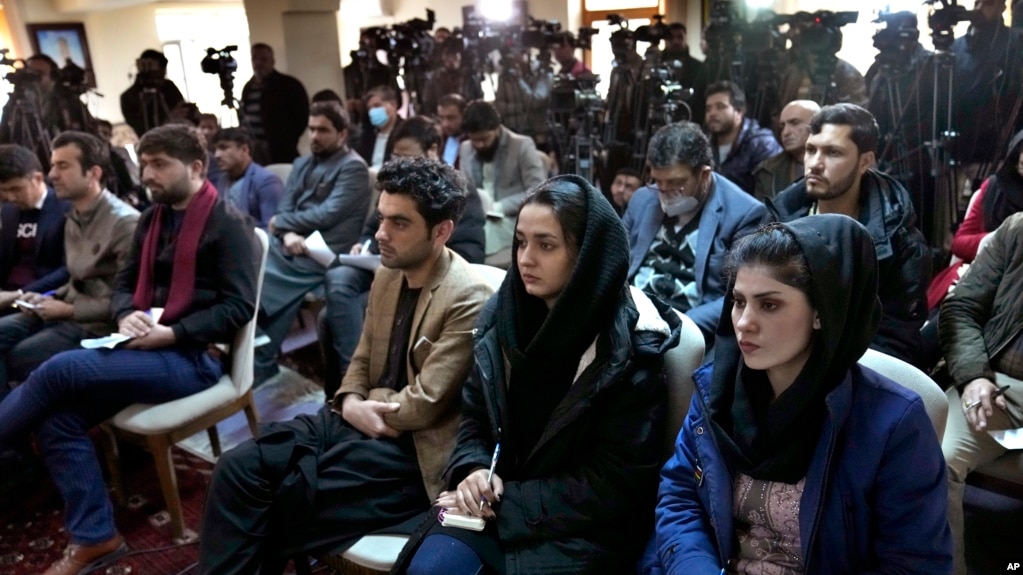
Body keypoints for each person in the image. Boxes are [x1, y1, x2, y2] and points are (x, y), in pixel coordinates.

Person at [197, 157, 494, 574]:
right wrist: (352, 399)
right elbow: (362, 357)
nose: (380, 234)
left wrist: (363, 403)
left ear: (441, 231)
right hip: (357, 419)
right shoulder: (389, 274)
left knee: (281, 495)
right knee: (237, 468)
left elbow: (425, 403)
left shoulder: (470, 296)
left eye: (399, 223)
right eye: (381, 218)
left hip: (410, 449)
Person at [0, 124, 259, 575]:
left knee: (60, 369)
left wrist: (174, 334)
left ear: (196, 167)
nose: (148, 175)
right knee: (57, 419)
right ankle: (97, 539)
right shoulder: (153, 217)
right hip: (143, 342)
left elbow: (238, 308)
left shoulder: (229, 224)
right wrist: (125, 315)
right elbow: (123, 285)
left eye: (160, 165)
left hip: (194, 357)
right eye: (145, 164)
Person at [396, 174, 682, 575]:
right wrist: (474, 470)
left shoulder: (629, 349)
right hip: (496, 506)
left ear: (585, 255)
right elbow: (476, 419)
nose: (525, 259)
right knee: (430, 569)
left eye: (546, 245)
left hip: (580, 531)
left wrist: (507, 501)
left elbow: (614, 484)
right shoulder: (505, 315)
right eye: (520, 242)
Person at [642, 216, 952, 575]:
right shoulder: (717, 391)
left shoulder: (894, 425)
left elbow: (913, 564)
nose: (743, 322)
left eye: (769, 305)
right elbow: (681, 496)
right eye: (739, 301)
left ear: (821, 312)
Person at [317, 116, 486, 398]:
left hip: (418, 276)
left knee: (327, 317)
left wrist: (412, 256)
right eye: (395, 155)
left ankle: (352, 387)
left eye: (406, 155)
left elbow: (469, 256)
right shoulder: (396, 193)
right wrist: (364, 243)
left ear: (432, 149)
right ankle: (349, 390)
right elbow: (374, 228)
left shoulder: (454, 194)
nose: (399, 162)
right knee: (337, 276)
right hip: (383, 266)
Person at [768, 103, 931, 366]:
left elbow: (895, 342)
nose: (815, 164)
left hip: (855, 371)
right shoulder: (779, 218)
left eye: (833, 152)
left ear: (864, 161)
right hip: (778, 360)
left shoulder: (899, 241)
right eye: (811, 150)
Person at [0, 131, 139, 400]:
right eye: (52, 165)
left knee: (13, 357)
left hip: (94, 326)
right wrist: (40, 297)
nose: (52, 175)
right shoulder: (75, 214)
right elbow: (75, 276)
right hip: (62, 308)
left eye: (63, 166)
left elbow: (131, 301)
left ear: (93, 173)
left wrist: (67, 308)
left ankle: (10, 430)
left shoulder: (124, 223)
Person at [254, 102, 370, 384]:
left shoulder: (353, 167)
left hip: (326, 252)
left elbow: (328, 214)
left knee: (257, 274)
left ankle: (258, 351)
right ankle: (261, 355)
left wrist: (282, 226)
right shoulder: (303, 162)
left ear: (342, 134)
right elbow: (285, 206)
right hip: (292, 246)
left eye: (323, 130)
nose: (314, 136)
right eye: (312, 129)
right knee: (250, 261)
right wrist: (287, 233)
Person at [624, 121, 767, 347]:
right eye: (658, 182)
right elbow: (617, 260)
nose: (665, 193)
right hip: (630, 313)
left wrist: (680, 326)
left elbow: (738, 297)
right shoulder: (643, 199)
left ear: (704, 174)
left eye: (676, 184)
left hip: (689, 324)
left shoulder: (743, 213)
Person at [940, 211, 1023, 575]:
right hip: (998, 383)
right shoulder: (1017, 229)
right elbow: (961, 307)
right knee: (935, 458)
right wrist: (974, 376)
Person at [458, 100, 546, 267]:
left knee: (476, 240)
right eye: (474, 140)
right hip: (478, 215)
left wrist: (498, 207)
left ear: (497, 129)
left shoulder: (521, 145)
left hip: (512, 217)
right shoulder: (466, 148)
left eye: (484, 139)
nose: (479, 145)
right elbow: (466, 189)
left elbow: (538, 190)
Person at [0, 144, 70, 313]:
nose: (10, 197)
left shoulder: (66, 210)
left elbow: (68, 269)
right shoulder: (8, 211)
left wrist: (19, 294)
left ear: (37, 179)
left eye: (16, 189)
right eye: (3, 190)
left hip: (40, 298)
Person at [951, 0, 1023, 164]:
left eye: (988, 3)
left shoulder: (1016, 42)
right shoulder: (956, 47)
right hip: (962, 151)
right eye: (977, 3)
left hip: (1001, 152)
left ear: (1002, 7)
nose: (979, 9)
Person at [704, 81, 782, 195]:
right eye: (708, 109)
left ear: (739, 111)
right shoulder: (707, 145)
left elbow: (772, 194)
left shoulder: (762, 144)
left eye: (720, 107)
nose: (712, 113)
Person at [240, 43, 310, 165]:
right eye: (255, 59)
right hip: (256, 151)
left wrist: (286, 139)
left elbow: (302, 116)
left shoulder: (289, 85)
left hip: (282, 151)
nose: (258, 63)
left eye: (263, 59)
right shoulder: (248, 87)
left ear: (272, 61)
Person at [210, 127, 284, 230]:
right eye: (215, 150)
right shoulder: (222, 180)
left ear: (244, 150)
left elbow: (272, 228)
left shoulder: (267, 181)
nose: (217, 155)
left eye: (224, 148)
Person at [753, 100, 821, 200]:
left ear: (817, 125)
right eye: (782, 126)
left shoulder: (833, 167)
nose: (785, 132)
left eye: (794, 123)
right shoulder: (768, 170)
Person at [119, 49, 185, 137]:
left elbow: (182, 110)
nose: (163, 73)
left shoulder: (168, 87)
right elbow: (139, 126)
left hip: (176, 136)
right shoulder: (129, 96)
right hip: (150, 142)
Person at [422, 38, 484, 116]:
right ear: (443, 58)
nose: (451, 60)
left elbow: (478, 98)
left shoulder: (470, 76)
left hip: (467, 117)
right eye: (448, 56)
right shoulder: (435, 77)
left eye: (454, 56)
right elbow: (428, 101)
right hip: (441, 117)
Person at [354, 85, 403, 169]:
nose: (372, 111)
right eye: (369, 108)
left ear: (393, 105)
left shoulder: (406, 132)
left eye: (377, 106)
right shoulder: (366, 136)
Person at [437, 93, 467, 168]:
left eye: (451, 118)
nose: (445, 124)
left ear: (463, 116)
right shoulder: (438, 140)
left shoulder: (474, 142)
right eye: (441, 118)